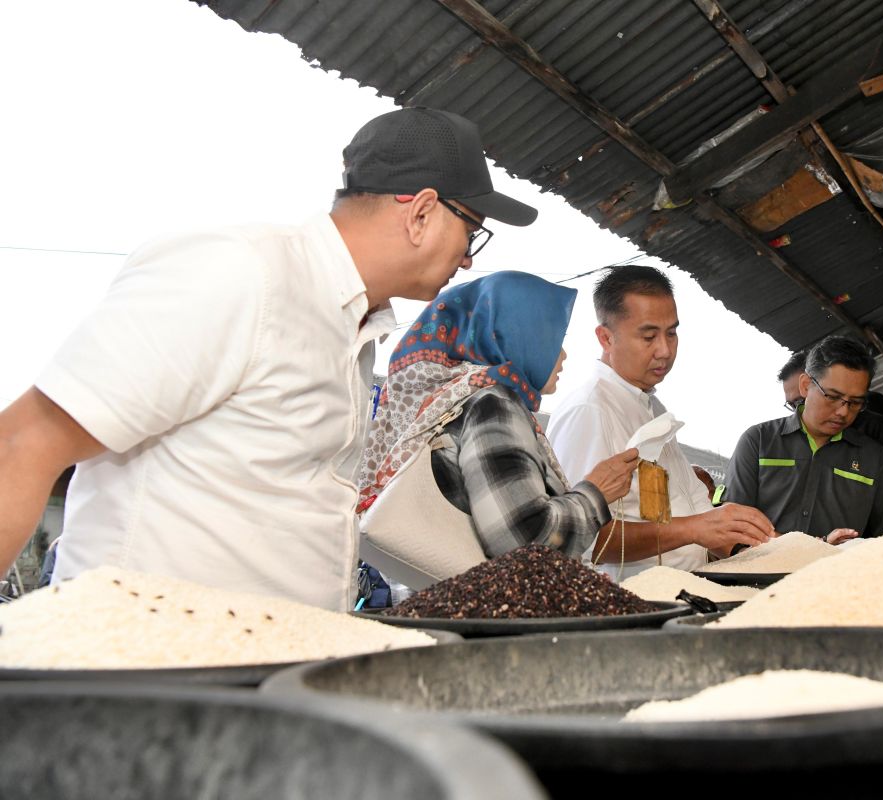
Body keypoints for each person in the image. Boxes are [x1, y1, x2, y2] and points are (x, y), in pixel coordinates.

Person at [0, 107, 538, 610]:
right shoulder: (241, 274)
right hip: (147, 670)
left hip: (255, 673)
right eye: (472, 231)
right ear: (421, 212)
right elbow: (24, 443)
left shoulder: (354, 323)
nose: (468, 259)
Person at [356, 271, 639, 571]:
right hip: (481, 613)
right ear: (517, 335)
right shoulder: (493, 404)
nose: (564, 355)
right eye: (553, 338)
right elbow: (523, 540)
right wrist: (595, 492)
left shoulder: (457, 399)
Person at [547, 265, 774, 579]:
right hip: (630, 607)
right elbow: (580, 536)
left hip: (685, 593)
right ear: (605, 338)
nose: (665, 350)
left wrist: (771, 551)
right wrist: (694, 529)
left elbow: (697, 508)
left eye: (672, 333)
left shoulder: (650, 405)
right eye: (649, 336)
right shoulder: (590, 409)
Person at [723, 335, 883, 543]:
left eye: (855, 402)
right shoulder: (758, 441)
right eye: (832, 396)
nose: (843, 412)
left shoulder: (873, 457)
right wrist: (816, 549)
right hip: (760, 574)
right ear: (805, 385)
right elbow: (731, 527)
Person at [778, 351, 883, 522]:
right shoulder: (787, 443)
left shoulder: (876, 429)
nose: (799, 411)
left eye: (801, 401)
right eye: (792, 404)